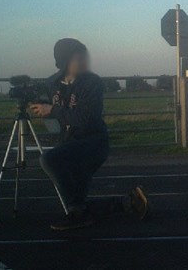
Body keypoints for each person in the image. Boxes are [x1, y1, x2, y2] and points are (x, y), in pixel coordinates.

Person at [30, 38, 151, 231]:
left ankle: (84, 213)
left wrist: (52, 110)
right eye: (78, 58)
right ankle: (128, 202)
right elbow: (54, 113)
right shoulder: (51, 83)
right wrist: (39, 105)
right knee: (78, 202)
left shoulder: (92, 82)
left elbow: (86, 119)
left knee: (49, 160)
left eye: (84, 57)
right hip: (69, 142)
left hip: (93, 143)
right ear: (65, 60)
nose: (84, 62)